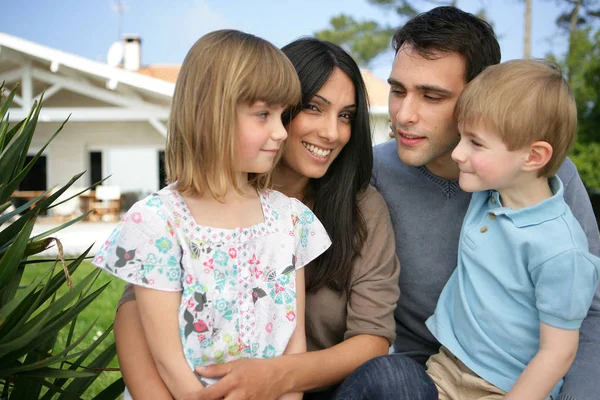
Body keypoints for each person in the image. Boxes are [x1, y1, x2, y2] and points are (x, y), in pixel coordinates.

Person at [113, 37, 401, 400]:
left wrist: (276, 377)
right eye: (313, 107)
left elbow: (371, 339)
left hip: (314, 388)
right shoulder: (177, 212)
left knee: (397, 377)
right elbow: (137, 312)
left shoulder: (319, 215)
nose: (332, 132)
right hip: (193, 389)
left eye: (346, 116)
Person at [336, 6, 600, 400]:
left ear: (480, 97)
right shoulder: (372, 171)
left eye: (431, 95)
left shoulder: (546, 179)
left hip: (516, 384)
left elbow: (589, 315)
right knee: (391, 379)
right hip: (424, 376)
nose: (404, 115)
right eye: (397, 90)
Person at [425, 59, 600, 400]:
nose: (458, 152)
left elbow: (558, 353)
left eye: (475, 143)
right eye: (461, 136)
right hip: (446, 366)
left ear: (533, 157)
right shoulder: (489, 194)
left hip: (505, 387)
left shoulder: (562, 251)